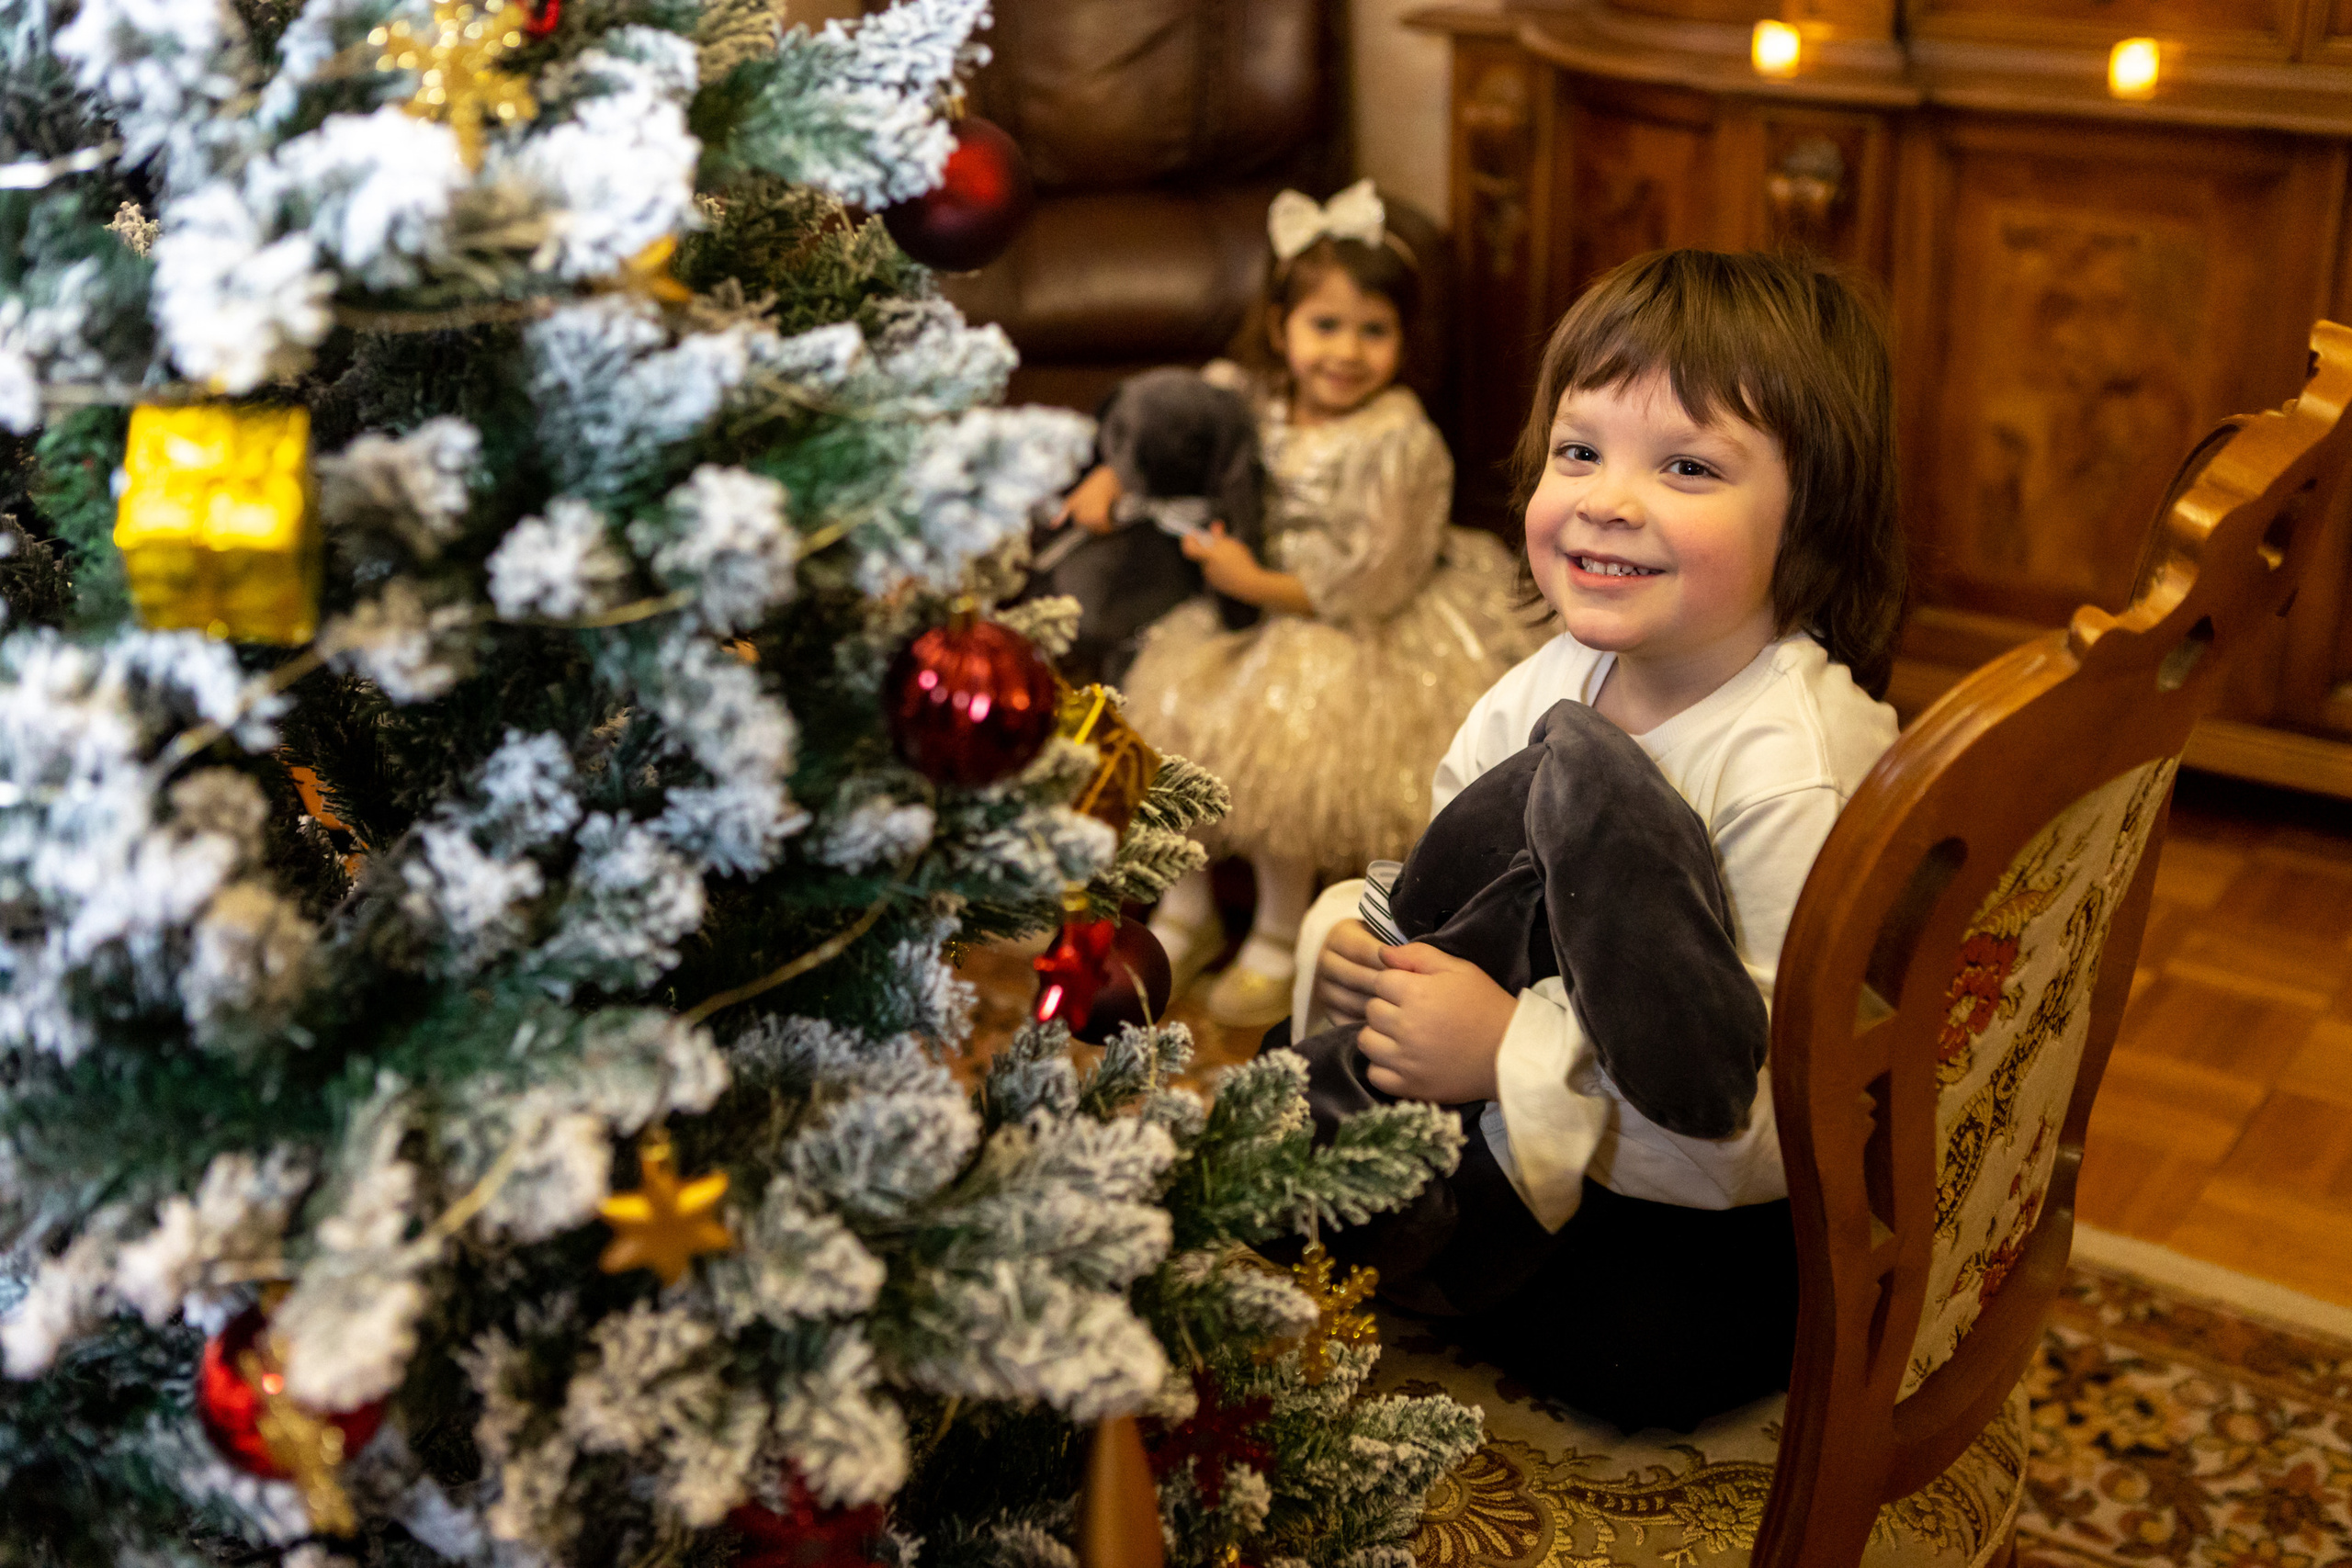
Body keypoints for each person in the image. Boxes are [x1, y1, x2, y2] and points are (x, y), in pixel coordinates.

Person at [1284, 248, 1908, 1433]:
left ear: (1812, 507)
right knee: (1293, 1058)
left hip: (1729, 1185)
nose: (1607, 499)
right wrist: (1363, 948)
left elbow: (1779, 1120)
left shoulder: (1797, 769)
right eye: (1580, 451)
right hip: (1543, 1102)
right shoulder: (1550, 680)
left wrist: (1506, 1055)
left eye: (1685, 465)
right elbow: (1443, 887)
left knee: (1647, 1349)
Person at [1114, 179, 1539, 1029]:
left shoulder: (1398, 436)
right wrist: (1111, 475)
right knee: (1175, 726)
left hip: (1341, 615)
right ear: (1281, 327)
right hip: (1243, 601)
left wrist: (1253, 584)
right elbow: (1169, 433)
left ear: (1402, 341)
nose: (1346, 351)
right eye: (1325, 325)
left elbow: (1378, 578)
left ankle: (1277, 929)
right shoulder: (1251, 398)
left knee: (1292, 748)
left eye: (1373, 330)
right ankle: (1187, 911)